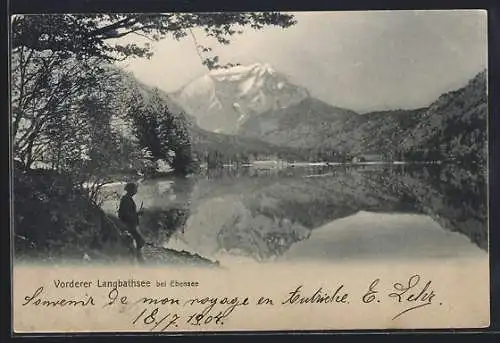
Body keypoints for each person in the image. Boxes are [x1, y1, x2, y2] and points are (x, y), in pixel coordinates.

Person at [118, 182, 146, 262]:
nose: (136, 190)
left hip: (129, 225)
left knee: (137, 241)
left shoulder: (127, 198)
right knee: (140, 241)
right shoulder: (126, 199)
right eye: (135, 189)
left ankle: (135, 257)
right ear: (131, 190)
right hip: (127, 225)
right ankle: (138, 258)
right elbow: (125, 214)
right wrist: (137, 213)